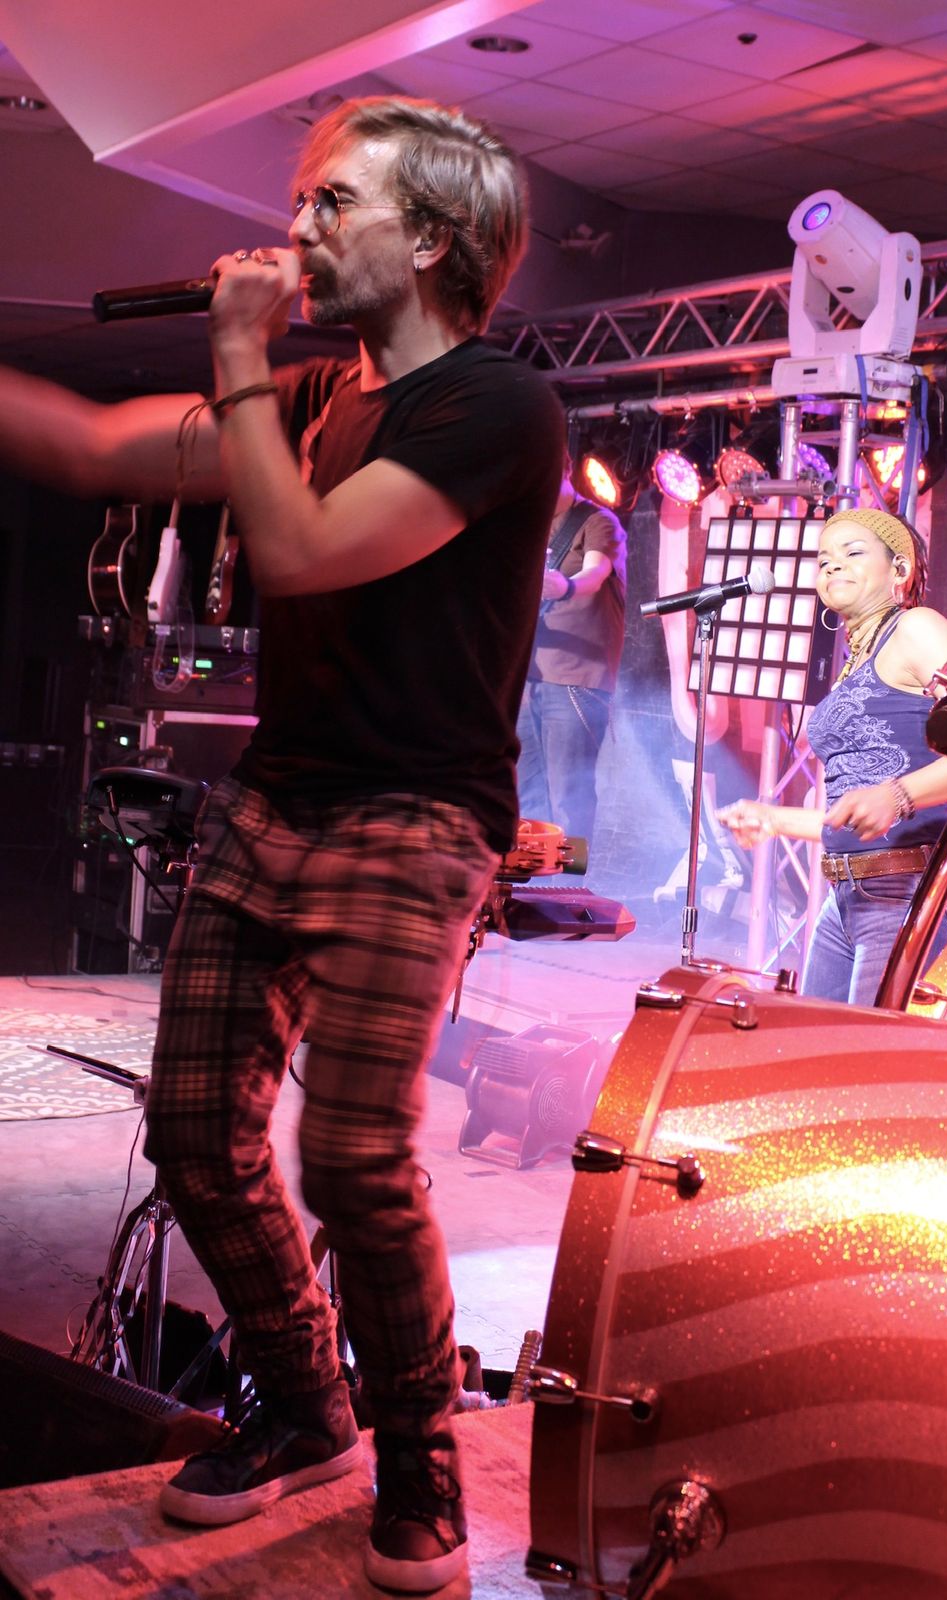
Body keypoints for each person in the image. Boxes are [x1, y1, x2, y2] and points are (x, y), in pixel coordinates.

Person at [0, 97, 564, 1593]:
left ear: (431, 239)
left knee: (355, 1159)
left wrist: (239, 355)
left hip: (416, 817)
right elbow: (93, 443)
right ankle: (307, 1408)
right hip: (277, 800)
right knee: (195, 1134)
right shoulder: (316, 398)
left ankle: (419, 1457)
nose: (294, 227)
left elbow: (307, 551)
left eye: (331, 202)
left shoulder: (495, 409)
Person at [720, 507, 947, 1007]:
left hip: (910, 892)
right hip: (846, 898)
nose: (833, 565)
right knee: (819, 1045)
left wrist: (899, 795)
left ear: (900, 569)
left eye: (853, 553)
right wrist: (773, 819)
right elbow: (855, 813)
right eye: (824, 560)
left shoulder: (915, 628)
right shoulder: (854, 662)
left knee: (870, 1054)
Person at [515, 464, 626, 849]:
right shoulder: (529, 524)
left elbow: (594, 574)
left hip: (576, 681)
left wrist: (563, 587)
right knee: (528, 796)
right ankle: (533, 880)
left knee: (570, 799)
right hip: (529, 679)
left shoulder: (597, 521)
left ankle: (574, 879)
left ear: (562, 467)